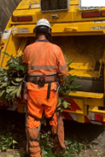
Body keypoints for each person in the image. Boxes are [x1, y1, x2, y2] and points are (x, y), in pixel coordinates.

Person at [22, 18, 68, 157]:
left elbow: (24, 67)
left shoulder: (28, 49)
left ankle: (35, 153)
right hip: (50, 91)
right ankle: (58, 149)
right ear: (48, 32)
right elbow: (64, 72)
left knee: (33, 120)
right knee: (54, 117)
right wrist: (60, 81)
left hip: (33, 90)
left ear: (36, 32)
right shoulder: (56, 49)